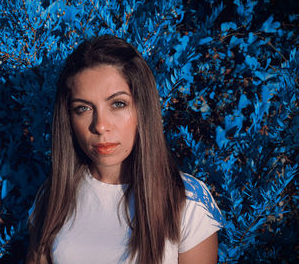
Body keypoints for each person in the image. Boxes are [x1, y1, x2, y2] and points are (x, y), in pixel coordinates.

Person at [27, 35, 223, 264]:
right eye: (83, 108)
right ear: (68, 118)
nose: (100, 126)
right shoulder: (54, 194)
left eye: (118, 104)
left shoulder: (186, 200)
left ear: (143, 108)